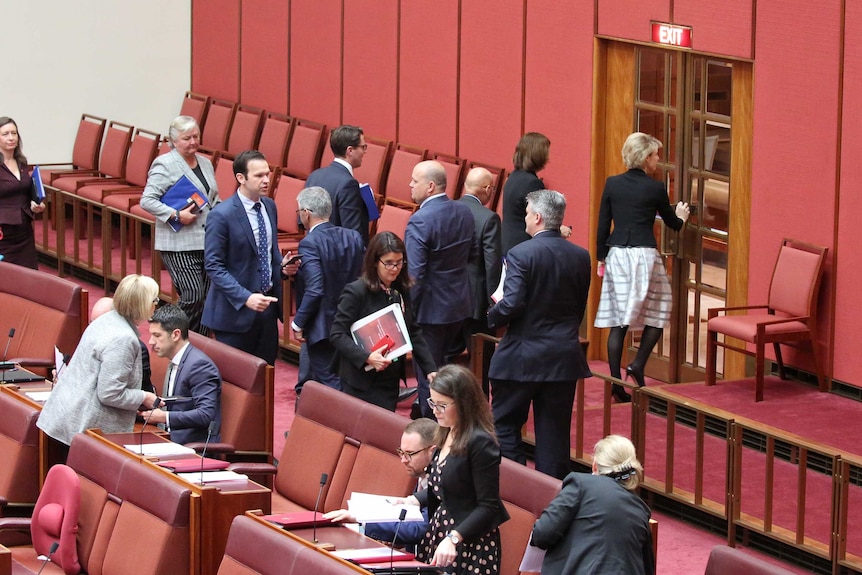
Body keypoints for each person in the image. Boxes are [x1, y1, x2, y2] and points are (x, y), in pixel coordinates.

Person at [488, 190, 591, 480]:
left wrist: (490, 317)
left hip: (521, 357)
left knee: (505, 425)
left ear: (537, 217)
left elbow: (511, 304)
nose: (524, 217)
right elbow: (578, 309)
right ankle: (551, 501)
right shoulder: (581, 256)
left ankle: (515, 490)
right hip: (562, 358)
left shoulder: (521, 254)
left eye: (527, 212)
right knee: (554, 434)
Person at [594, 132, 689, 401]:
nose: (658, 159)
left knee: (618, 321)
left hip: (617, 255)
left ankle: (615, 384)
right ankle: (637, 364)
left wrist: (602, 256)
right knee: (660, 310)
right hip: (644, 255)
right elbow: (672, 223)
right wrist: (681, 216)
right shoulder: (655, 188)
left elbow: (603, 224)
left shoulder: (612, 183)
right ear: (646, 157)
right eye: (656, 155)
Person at [37, 274, 162, 452]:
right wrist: (144, 397)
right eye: (155, 299)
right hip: (86, 427)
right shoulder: (123, 339)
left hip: (68, 414)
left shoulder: (105, 319)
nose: (156, 304)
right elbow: (110, 394)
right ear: (143, 304)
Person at [407, 365, 509, 574]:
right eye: (432, 403)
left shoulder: (481, 443)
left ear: (463, 404)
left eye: (442, 405)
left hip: (469, 544)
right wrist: (414, 499)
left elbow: (488, 506)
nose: (435, 411)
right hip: (441, 534)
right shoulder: (445, 432)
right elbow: (445, 486)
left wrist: (454, 538)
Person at [330, 231, 437, 411]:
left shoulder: (400, 289)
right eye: (388, 263)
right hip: (360, 381)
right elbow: (337, 334)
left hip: (390, 378)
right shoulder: (356, 292)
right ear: (374, 262)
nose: (395, 268)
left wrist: (430, 368)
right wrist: (367, 358)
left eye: (399, 262)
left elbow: (412, 330)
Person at [406, 160, 476, 418]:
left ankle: (431, 431)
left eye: (415, 180)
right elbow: (473, 254)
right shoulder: (464, 212)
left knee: (430, 374)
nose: (410, 185)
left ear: (430, 186)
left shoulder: (420, 220)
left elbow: (415, 274)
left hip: (430, 310)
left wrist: (406, 309)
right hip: (458, 304)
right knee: (447, 372)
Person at [202, 150, 284, 365]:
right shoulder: (221, 215)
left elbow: (268, 253)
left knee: (265, 379)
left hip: (267, 309)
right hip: (234, 313)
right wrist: (245, 297)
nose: (266, 180)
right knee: (234, 382)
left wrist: (282, 268)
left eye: (267, 174)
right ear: (241, 178)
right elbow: (213, 266)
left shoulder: (270, 207)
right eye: (259, 176)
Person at [530, 435, 654, 575]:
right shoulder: (641, 511)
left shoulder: (581, 484)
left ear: (595, 465)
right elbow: (648, 569)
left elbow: (542, 534)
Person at [141, 116, 219, 335]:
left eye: (196, 136)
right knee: (193, 295)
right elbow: (147, 200)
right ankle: (166, 332)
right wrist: (175, 214)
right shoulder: (165, 164)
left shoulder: (205, 163)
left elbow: (213, 199)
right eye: (187, 138)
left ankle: (196, 344)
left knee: (206, 299)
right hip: (178, 243)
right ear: (173, 141)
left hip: (207, 241)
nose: (193, 142)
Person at [288, 186, 364, 390]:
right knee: (347, 377)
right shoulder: (353, 237)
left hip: (322, 327)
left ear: (306, 213)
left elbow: (315, 288)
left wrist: (298, 323)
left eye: (299, 212)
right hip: (351, 319)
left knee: (332, 384)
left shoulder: (309, 243)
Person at [324, 418, 438, 548]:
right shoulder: (421, 473)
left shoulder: (440, 482)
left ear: (432, 451)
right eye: (401, 452)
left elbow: (420, 529)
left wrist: (361, 519)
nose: (403, 460)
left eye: (410, 454)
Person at [139, 304, 221, 445]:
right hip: (166, 438)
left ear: (176, 334)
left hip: (191, 447)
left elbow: (206, 414)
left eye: (157, 335)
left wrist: (164, 417)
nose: (151, 342)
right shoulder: (176, 360)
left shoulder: (199, 366)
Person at [455, 167, 502, 394]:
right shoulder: (488, 218)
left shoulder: (448, 209)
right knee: (480, 360)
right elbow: (492, 265)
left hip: (446, 298)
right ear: (486, 189)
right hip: (474, 301)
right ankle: (480, 407)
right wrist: (493, 303)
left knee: (447, 357)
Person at [500, 132, 570, 253]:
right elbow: (539, 221)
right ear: (538, 155)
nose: (548, 158)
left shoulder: (513, 177)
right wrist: (559, 231)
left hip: (507, 242)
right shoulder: (532, 184)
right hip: (524, 245)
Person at [305, 125, 369, 245]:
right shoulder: (348, 184)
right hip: (337, 256)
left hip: (313, 250)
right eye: (363, 147)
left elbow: (302, 221)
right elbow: (353, 233)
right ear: (350, 150)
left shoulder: (314, 176)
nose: (365, 151)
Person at [0, 117, 45, 269]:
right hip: (3, 233)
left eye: (14, 133)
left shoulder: (22, 163)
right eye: (5, 134)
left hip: (24, 229)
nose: (11, 138)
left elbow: (25, 192)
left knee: (28, 276)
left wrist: (36, 205)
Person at [90, 296, 155, 394]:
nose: (95, 329)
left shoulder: (135, 348)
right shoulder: (92, 339)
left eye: (100, 324)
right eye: (92, 323)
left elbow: (116, 391)